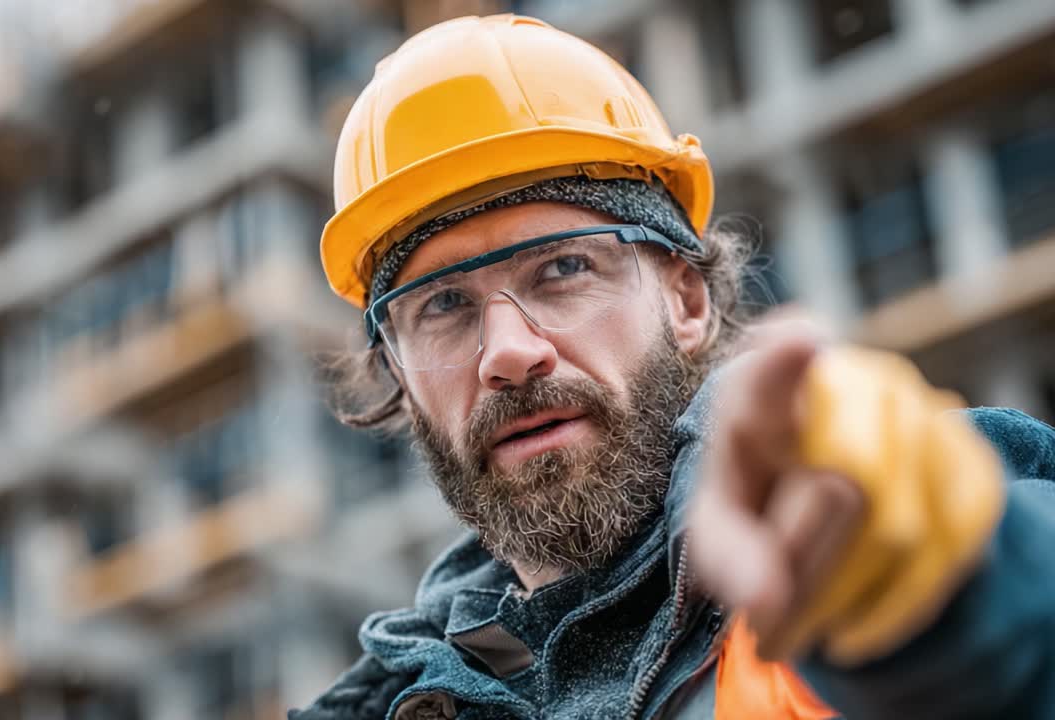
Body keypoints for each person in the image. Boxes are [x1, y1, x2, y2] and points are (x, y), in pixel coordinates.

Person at [293, 14, 1055, 719]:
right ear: (400, 377)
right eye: (443, 305)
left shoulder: (872, 520)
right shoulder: (392, 702)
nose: (509, 353)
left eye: (563, 268)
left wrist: (932, 598)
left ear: (686, 299)